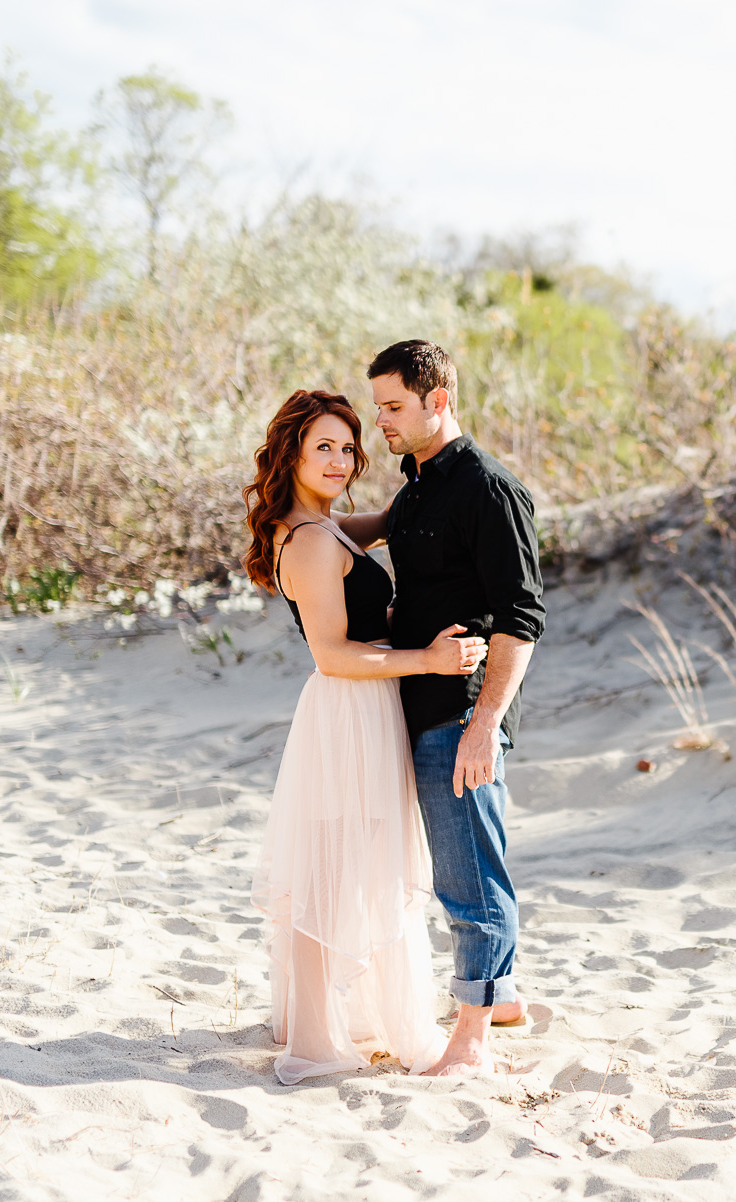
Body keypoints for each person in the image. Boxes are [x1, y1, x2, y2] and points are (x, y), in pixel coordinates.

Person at [241, 389, 488, 1085]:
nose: (341, 460)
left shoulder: (331, 526)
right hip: (348, 704)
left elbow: (393, 517)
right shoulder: (313, 541)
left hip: (367, 706)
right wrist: (428, 660)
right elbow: (332, 654)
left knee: (359, 865)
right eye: (323, 446)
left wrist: (436, 468)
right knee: (336, 869)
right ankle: (317, 1039)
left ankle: (339, 1018)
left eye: (349, 448)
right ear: (290, 452)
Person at [333, 340, 545, 1077]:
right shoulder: (418, 484)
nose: (380, 420)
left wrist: (484, 724)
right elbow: (372, 531)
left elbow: (522, 617)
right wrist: (296, 522)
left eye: (393, 406)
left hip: (462, 710)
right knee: (461, 864)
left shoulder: (489, 489)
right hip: (417, 701)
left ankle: (473, 1040)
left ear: (438, 401)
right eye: (379, 406)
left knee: (469, 874)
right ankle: (504, 996)